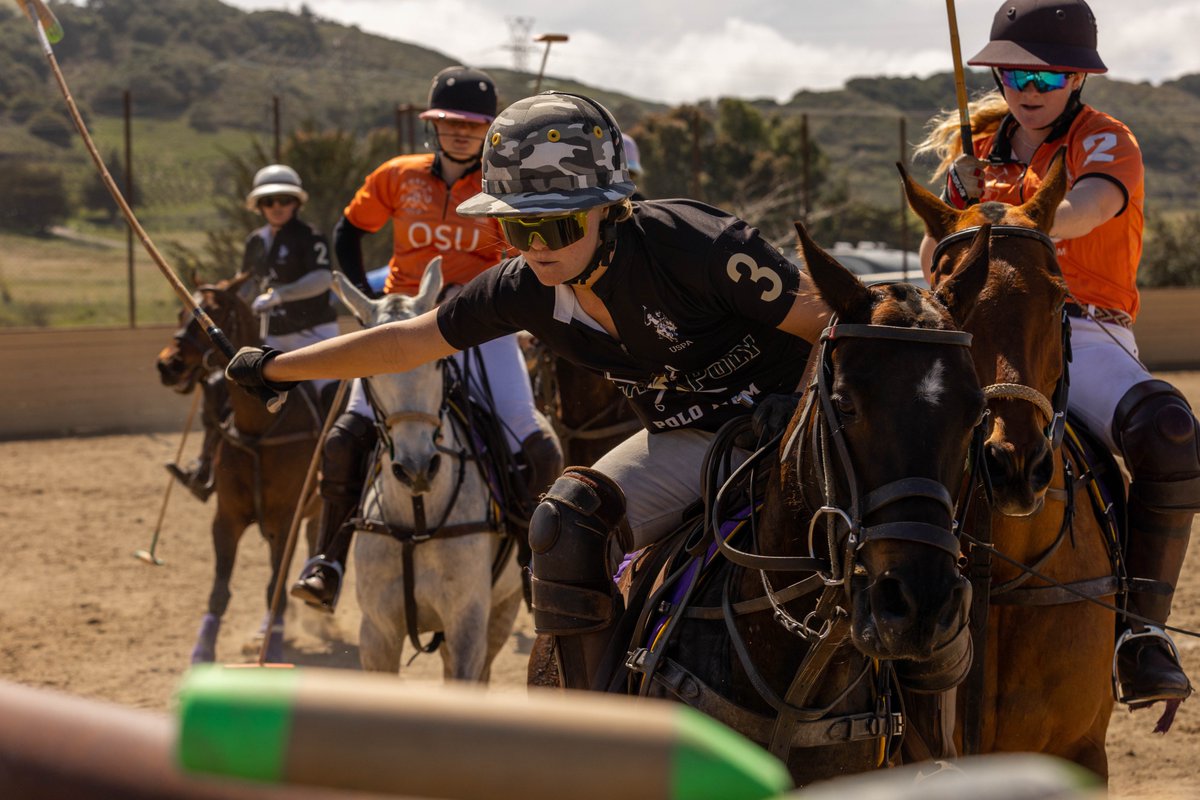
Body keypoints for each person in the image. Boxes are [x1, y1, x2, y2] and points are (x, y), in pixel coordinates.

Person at [225, 90, 831, 689]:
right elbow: (405, 343)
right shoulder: (521, 288)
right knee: (566, 522)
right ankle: (586, 708)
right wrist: (275, 368)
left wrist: (814, 416)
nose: (537, 247)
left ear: (609, 208)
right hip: (695, 441)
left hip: (813, 433)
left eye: (558, 224)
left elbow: (836, 327)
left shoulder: (694, 244)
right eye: (518, 227)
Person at [914, 0, 1197, 706]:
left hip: (1084, 328)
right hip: (982, 332)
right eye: (1013, 76)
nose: (1026, 93)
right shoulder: (973, 154)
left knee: (1169, 431)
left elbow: (1085, 211)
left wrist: (995, 214)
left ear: (1079, 79)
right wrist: (955, 199)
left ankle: (1142, 634)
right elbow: (931, 263)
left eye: (1046, 80)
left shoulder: (1107, 142)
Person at [289, 66, 562, 613]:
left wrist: (494, 297)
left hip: (479, 324)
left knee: (534, 441)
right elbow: (348, 231)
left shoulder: (502, 186)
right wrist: (366, 311)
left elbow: (526, 254)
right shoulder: (397, 175)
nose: (461, 132)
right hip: (396, 331)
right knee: (346, 437)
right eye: (450, 122)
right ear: (432, 126)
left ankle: (535, 564)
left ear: (489, 130)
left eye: (473, 124)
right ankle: (328, 561)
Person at [167, 164, 336, 501]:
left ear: (296, 202)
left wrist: (282, 294)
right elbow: (244, 285)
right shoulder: (255, 242)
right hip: (269, 338)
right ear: (258, 206)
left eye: (284, 199)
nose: (276, 206)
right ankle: (204, 468)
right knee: (222, 387)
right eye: (268, 200)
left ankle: (335, 474)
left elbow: (322, 278)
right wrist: (220, 297)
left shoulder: (310, 237)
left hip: (313, 335)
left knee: (332, 397)